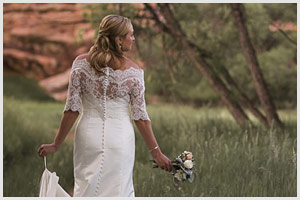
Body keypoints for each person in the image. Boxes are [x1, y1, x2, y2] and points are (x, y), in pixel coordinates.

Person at [37, 14, 172, 197]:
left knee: (86, 189)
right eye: (130, 35)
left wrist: (56, 144)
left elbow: (72, 109)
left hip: (87, 137)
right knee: (118, 190)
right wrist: (157, 153)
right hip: (120, 139)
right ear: (119, 39)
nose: (133, 38)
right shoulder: (134, 73)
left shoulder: (80, 64)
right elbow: (140, 118)